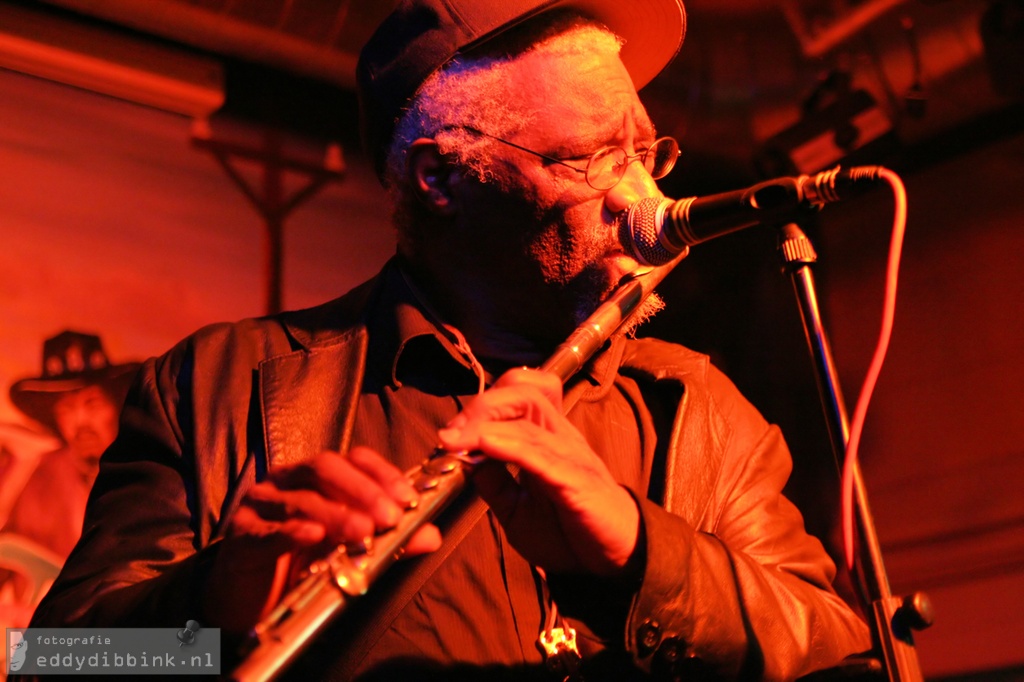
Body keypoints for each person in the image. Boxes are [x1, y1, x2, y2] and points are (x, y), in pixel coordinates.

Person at [31, 1, 872, 680]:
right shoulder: (215, 384)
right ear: (442, 178)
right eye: (592, 159)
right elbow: (57, 662)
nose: (645, 199)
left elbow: (840, 653)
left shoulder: (700, 410)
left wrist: (638, 551)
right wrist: (219, 601)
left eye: (644, 150)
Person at [1, 331, 138, 630]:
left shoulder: (150, 479)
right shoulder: (40, 475)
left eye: (92, 403)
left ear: (116, 406)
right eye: (66, 408)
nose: (80, 422)